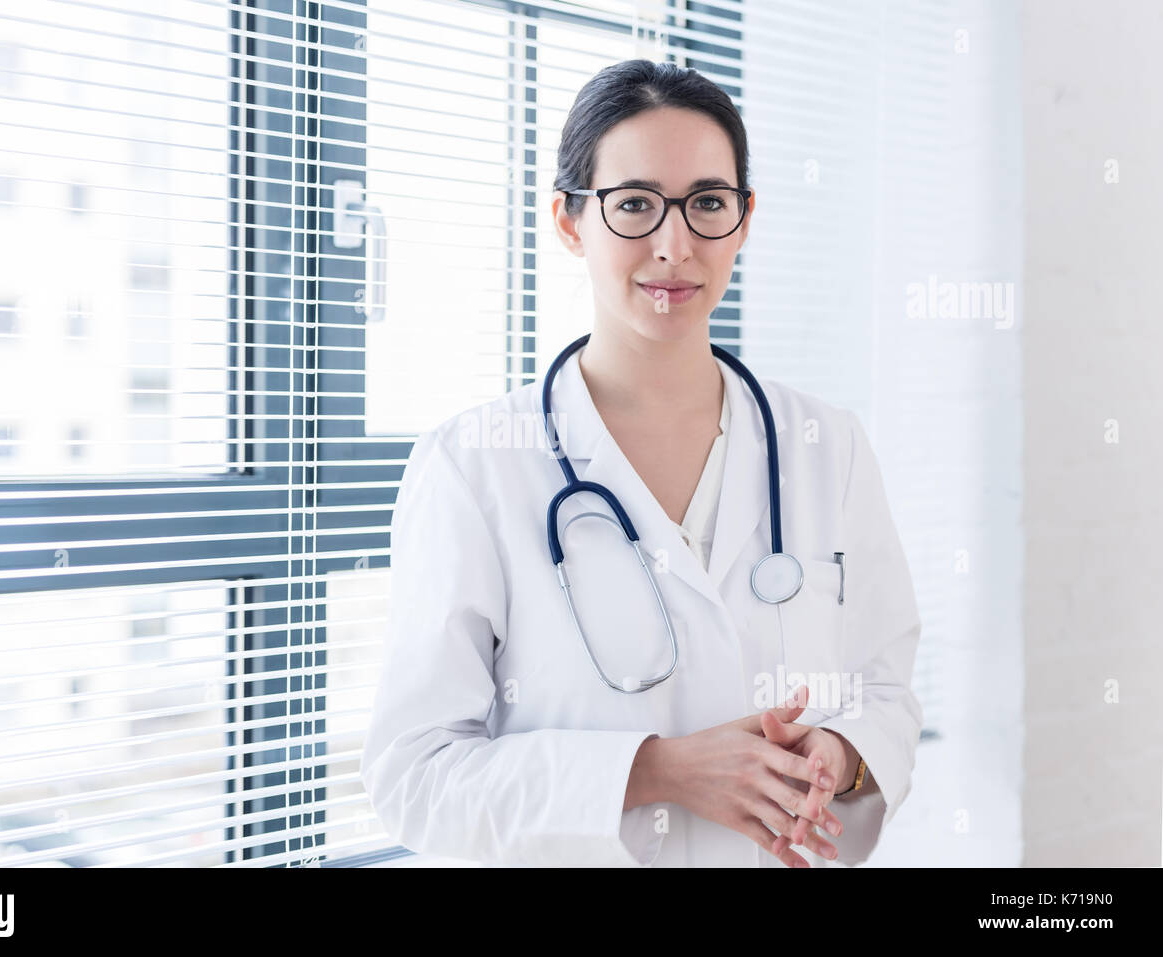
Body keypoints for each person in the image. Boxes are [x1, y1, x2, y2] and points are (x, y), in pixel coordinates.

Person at [361, 58, 923, 867]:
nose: (674, 244)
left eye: (707, 204)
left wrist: (840, 752)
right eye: (633, 205)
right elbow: (414, 774)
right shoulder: (474, 466)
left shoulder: (826, 446)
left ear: (745, 216)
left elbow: (886, 688)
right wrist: (655, 771)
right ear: (568, 220)